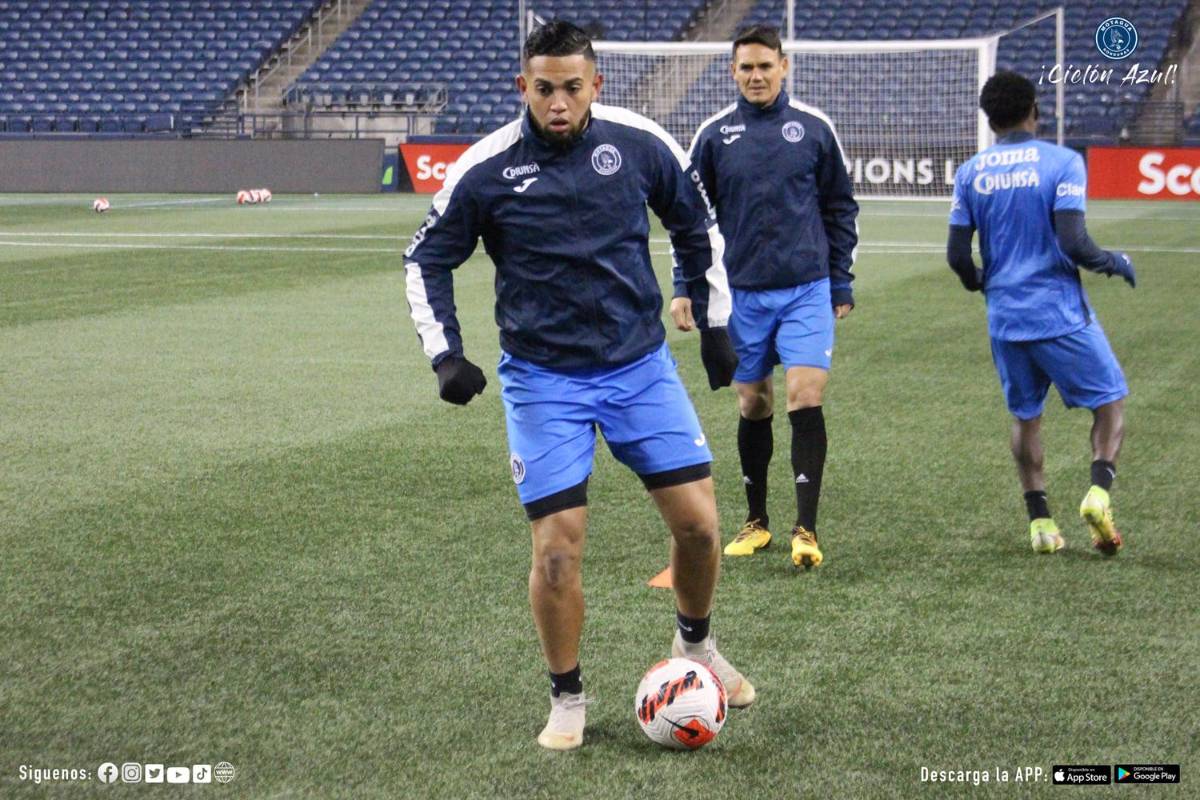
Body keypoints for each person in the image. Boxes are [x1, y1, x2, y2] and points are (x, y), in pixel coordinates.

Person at [404, 20, 754, 751]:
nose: (557, 103)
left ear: (596, 84)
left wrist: (717, 323)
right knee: (557, 552)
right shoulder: (486, 167)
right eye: (543, 89)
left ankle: (695, 648)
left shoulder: (636, 141)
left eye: (571, 87)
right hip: (543, 382)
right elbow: (423, 260)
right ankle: (567, 697)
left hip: (639, 368)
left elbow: (697, 224)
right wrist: (446, 354)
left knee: (699, 525)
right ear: (521, 88)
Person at [672, 25, 859, 569]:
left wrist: (840, 279)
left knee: (805, 394)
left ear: (784, 65)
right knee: (753, 402)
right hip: (740, 294)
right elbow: (689, 221)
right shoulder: (712, 135)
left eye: (765, 66)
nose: (756, 76)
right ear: (733, 72)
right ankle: (757, 522)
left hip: (807, 289)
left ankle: (807, 529)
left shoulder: (814, 129)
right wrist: (686, 288)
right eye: (745, 68)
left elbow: (840, 209)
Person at [946, 70, 1135, 555]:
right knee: (1110, 401)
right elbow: (1074, 242)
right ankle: (1097, 493)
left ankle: (1041, 526)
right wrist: (1115, 263)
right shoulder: (1063, 162)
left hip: (1006, 318)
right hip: (1059, 314)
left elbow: (958, 257)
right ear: (1035, 109)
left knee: (1026, 416)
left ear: (989, 120)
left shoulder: (971, 172)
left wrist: (982, 283)